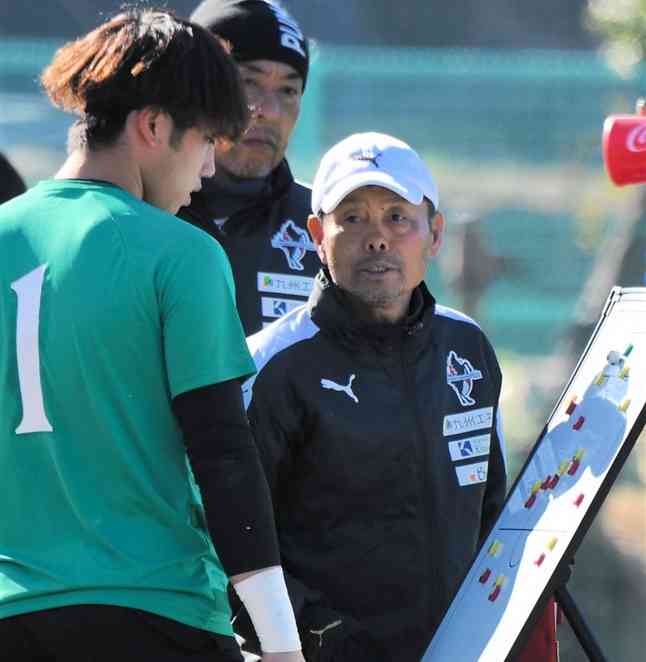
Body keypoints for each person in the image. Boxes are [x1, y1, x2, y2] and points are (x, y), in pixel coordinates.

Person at [0, 9, 304, 662]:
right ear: (154, 126)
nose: (202, 174)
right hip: (155, 615)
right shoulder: (180, 253)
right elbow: (222, 453)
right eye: (203, 144)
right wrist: (281, 646)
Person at [241, 132, 508, 661]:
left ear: (434, 234)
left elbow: (493, 506)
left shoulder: (468, 347)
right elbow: (227, 536)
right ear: (317, 234)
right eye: (354, 218)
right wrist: (314, 634)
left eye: (397, 217)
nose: (378, 238)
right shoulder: (269, 365)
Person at [179, 0, 319, 334]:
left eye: (288, 89)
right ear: (194, 86)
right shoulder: (139, 216)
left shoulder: (327, 230)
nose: (268, 110)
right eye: (248, 82)